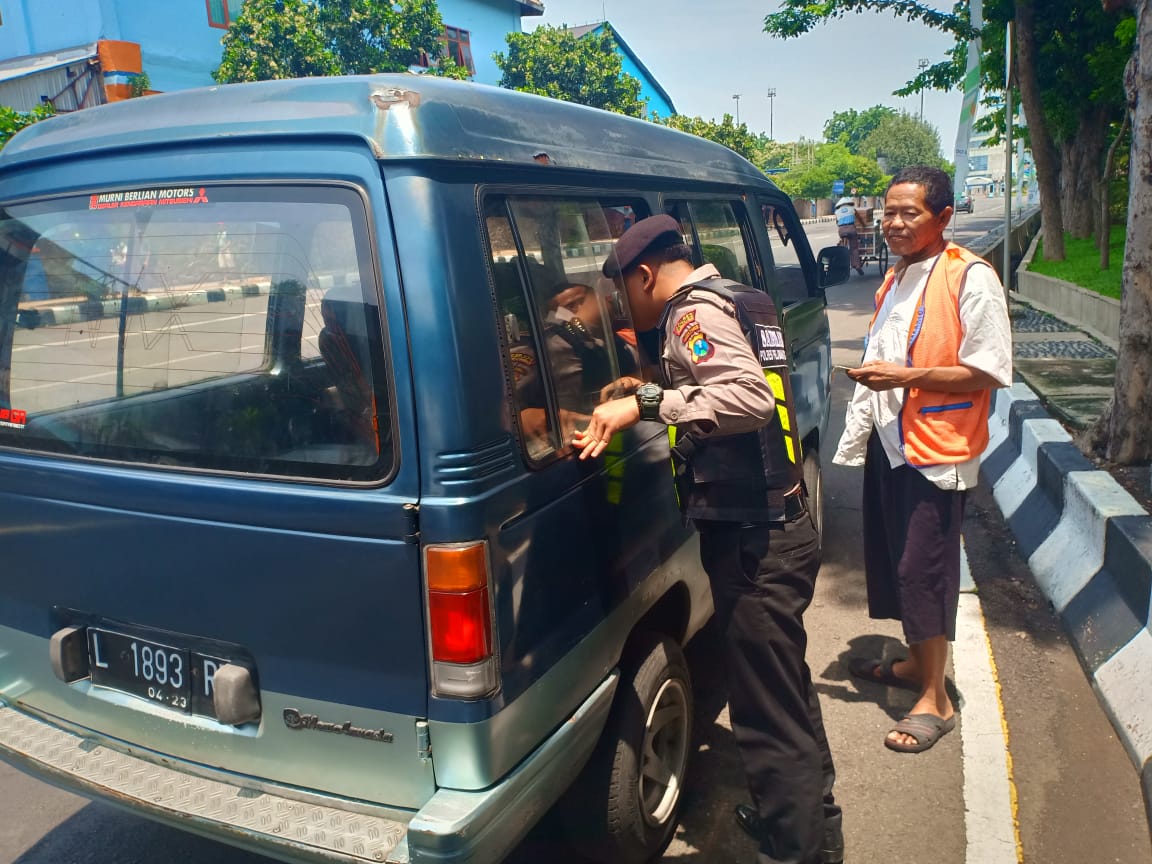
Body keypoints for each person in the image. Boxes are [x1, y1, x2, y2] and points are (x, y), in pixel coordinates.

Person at [573, 215, 843, 864]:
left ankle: (798, 849)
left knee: (766, 710)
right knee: (784, 691)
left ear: (645, 274)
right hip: (781, 523)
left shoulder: (692, 315)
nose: (625, 307)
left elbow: (744, 396)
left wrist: (643, 407)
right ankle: (807, 817)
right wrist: (648, 390)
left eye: (624, 292)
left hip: (756, 542)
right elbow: (728, 382)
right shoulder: (743, 297)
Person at [833, 165, 1013, 753]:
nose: (892, 224)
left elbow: (988, 369)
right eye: (887, 212)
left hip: (936, 452)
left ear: (943, 217)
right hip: (894, 446)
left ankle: (935, 698)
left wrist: (904, 376)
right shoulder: (898, 276)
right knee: (894, 563)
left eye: (909, 213)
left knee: (923, 572)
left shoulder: (971, 278)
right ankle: (915, 665)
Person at [833, 196, 863, 275]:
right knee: (854, 248)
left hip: (842, 230)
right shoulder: (852, 209)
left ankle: (841, 262)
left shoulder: (837, 211)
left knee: (842, 245)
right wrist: (863, 225)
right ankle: (856, 265)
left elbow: (837, 221)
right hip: (851, 229)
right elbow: (859, 218)